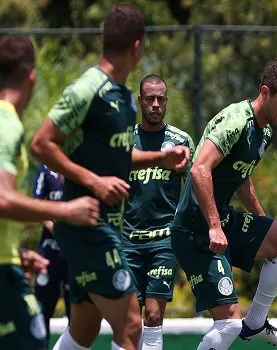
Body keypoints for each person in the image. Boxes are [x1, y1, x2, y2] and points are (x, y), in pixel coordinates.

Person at [30, 5, 190, 350]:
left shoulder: (124, 98)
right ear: (137, 45)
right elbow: (42, 144)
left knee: (83, 330)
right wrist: (94, 181)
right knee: (132, 326)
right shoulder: (89, 89)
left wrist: (161, 156)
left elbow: (115, 157)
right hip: (88, 228)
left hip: (102, 227)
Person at [0, 36, 100, 350]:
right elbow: (2, 199)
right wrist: (67, 211)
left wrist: (15, 254)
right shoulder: (6, 123)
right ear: (32, 75)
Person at [171, 58, 277, 349]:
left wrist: (262, 223)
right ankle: (244, 324)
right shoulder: (235, 120)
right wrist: (215, 228)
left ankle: (256, 322)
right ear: (265, 92)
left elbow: (241, 178)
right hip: (195, 230)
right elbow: (199, 169)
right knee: (229, 323)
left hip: (224, 221)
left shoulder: (265, 131)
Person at [122, 74, 195, 350]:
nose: (155, 105)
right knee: (129, 320)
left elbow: (197, 184)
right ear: (140, 100)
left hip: (164, 240)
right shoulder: (126, 139)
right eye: (149, 99)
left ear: (166, 101)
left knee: (153, 314)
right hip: (128, 241)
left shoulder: (181, 140)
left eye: (160, 99)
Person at [32, 164, 71, 340]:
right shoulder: (46, 169)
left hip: (75, 253)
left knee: (78, 312)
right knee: (42, 309)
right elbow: (36, 204)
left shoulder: (81, 164)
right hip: (50, 253)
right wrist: (56, 230)